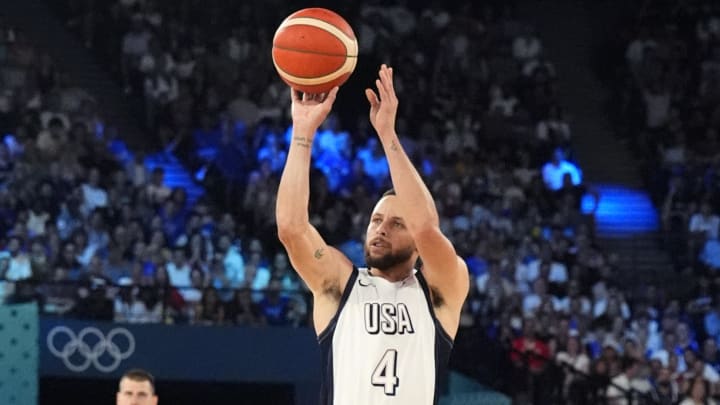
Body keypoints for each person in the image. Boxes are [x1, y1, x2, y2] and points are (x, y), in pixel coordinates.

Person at [276, 64, 469, 404]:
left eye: (396, 223)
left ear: (416, 245)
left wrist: (388, 136)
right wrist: (302, 132)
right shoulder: (339, 283)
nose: (380, 229)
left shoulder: (441, 288)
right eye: (376, 220)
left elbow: (425, 226)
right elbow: (291, 229)